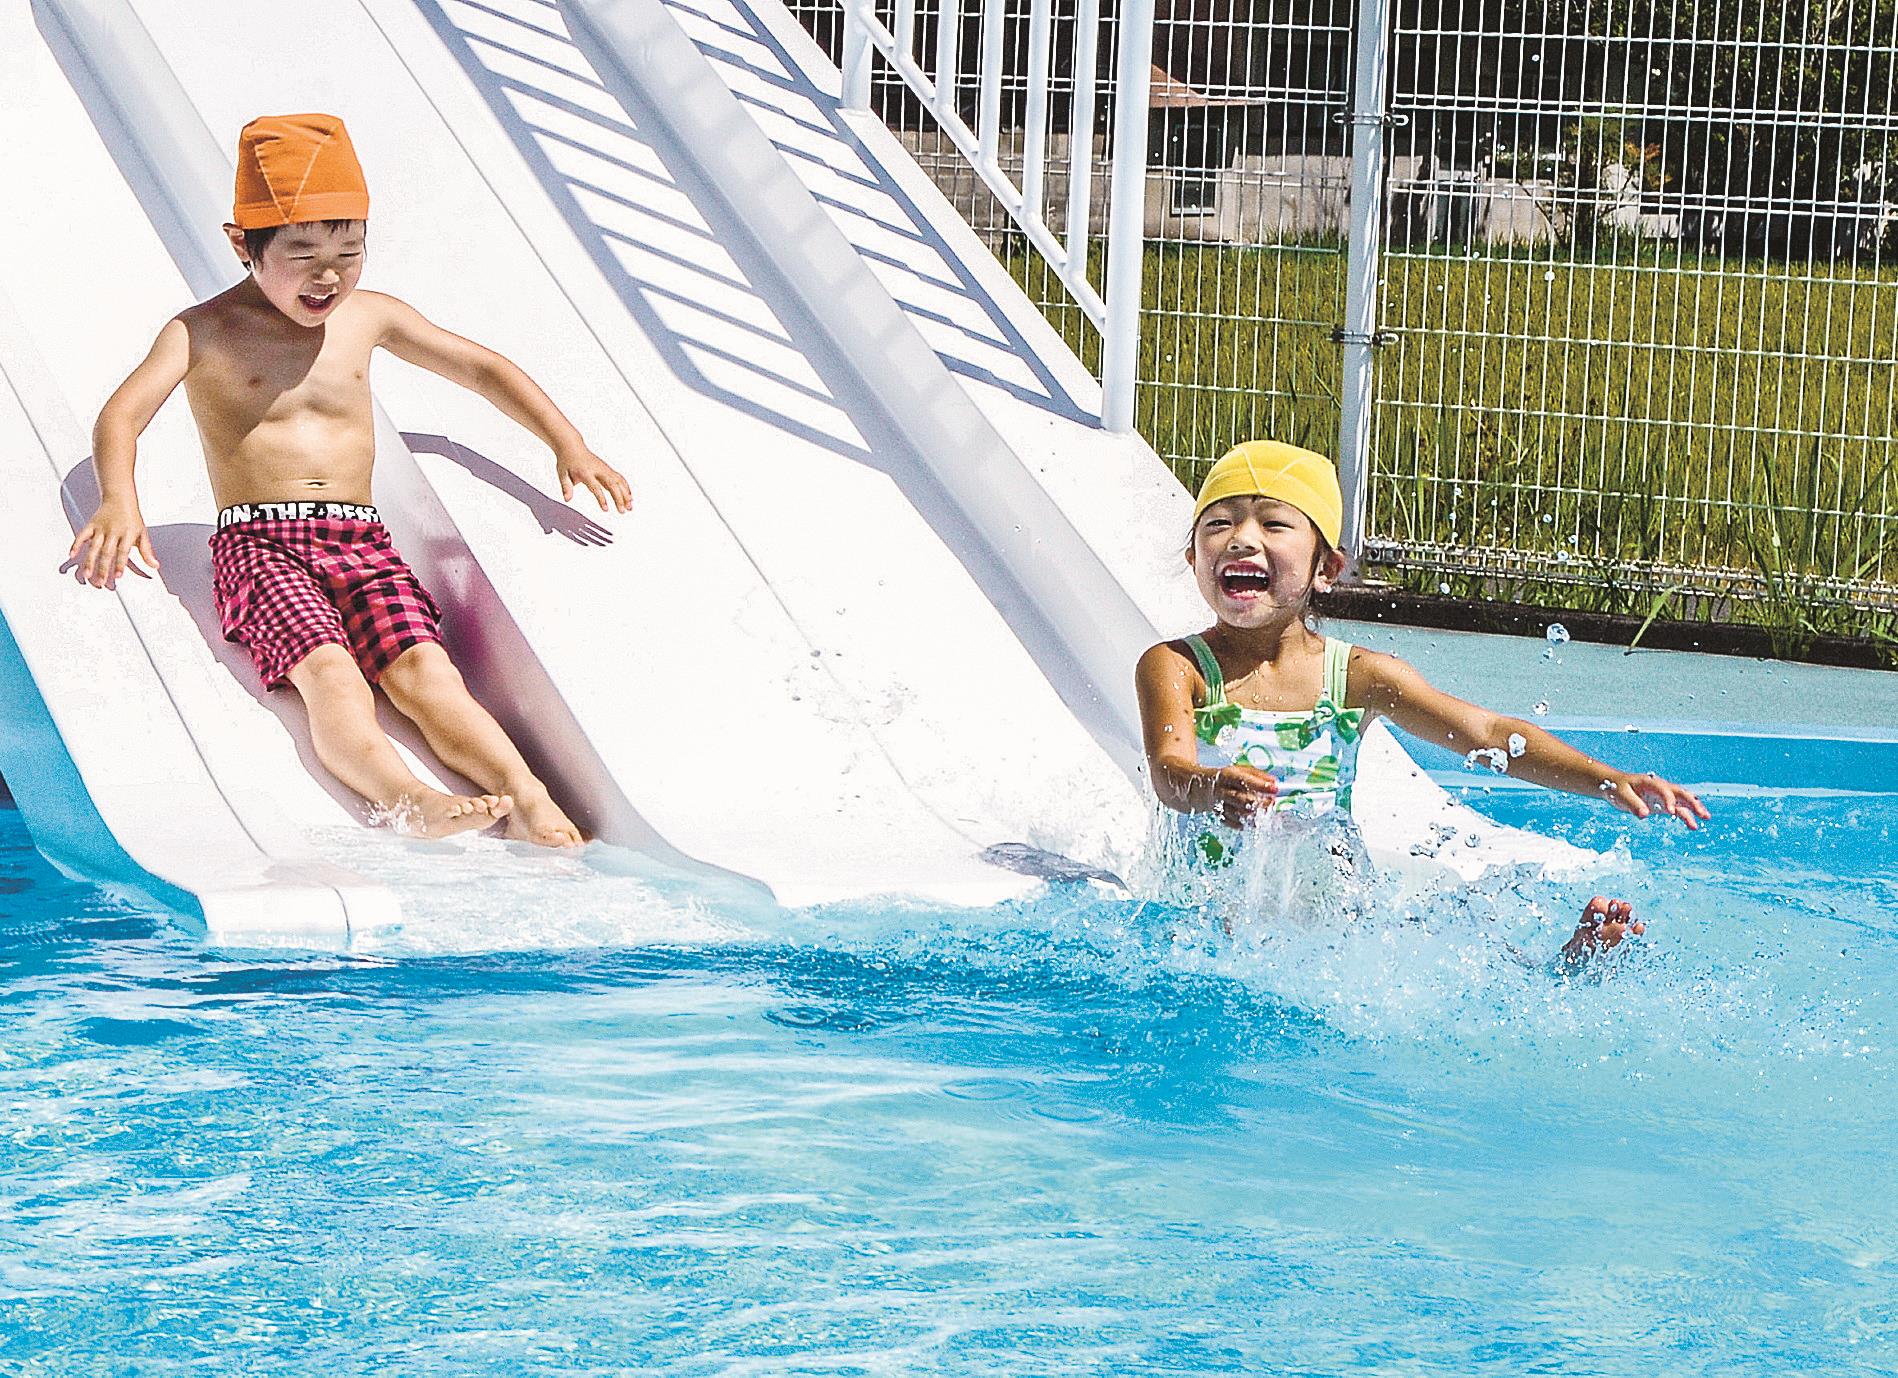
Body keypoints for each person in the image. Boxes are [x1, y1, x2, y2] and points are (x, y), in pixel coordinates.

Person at [67, 113, 630, 845]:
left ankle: (525, 794)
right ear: (244, 245)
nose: (329, 274)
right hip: (260, 545)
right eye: (303, 253)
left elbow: (482, 367)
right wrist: (120, 499)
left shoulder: (369, 318)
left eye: (350, 251)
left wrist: (568, 443)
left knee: (428, 672)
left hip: (361, 541)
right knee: (330, 675)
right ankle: (405, 796)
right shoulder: (202, 330)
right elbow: (122, 415)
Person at [1134, 439, 1709, 964]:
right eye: (1219, 523)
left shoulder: (1357, 676)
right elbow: (1169, 773)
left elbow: (1489, 736)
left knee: (1447, 953)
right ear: (1193, 559)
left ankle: (1568, 963)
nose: (1241, 538)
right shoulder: (1177, 667)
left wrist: (1609, 780)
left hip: (1333, 915)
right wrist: (1212, 789)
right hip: (1206, 917)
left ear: (1327, 569)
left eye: (1276, 524)